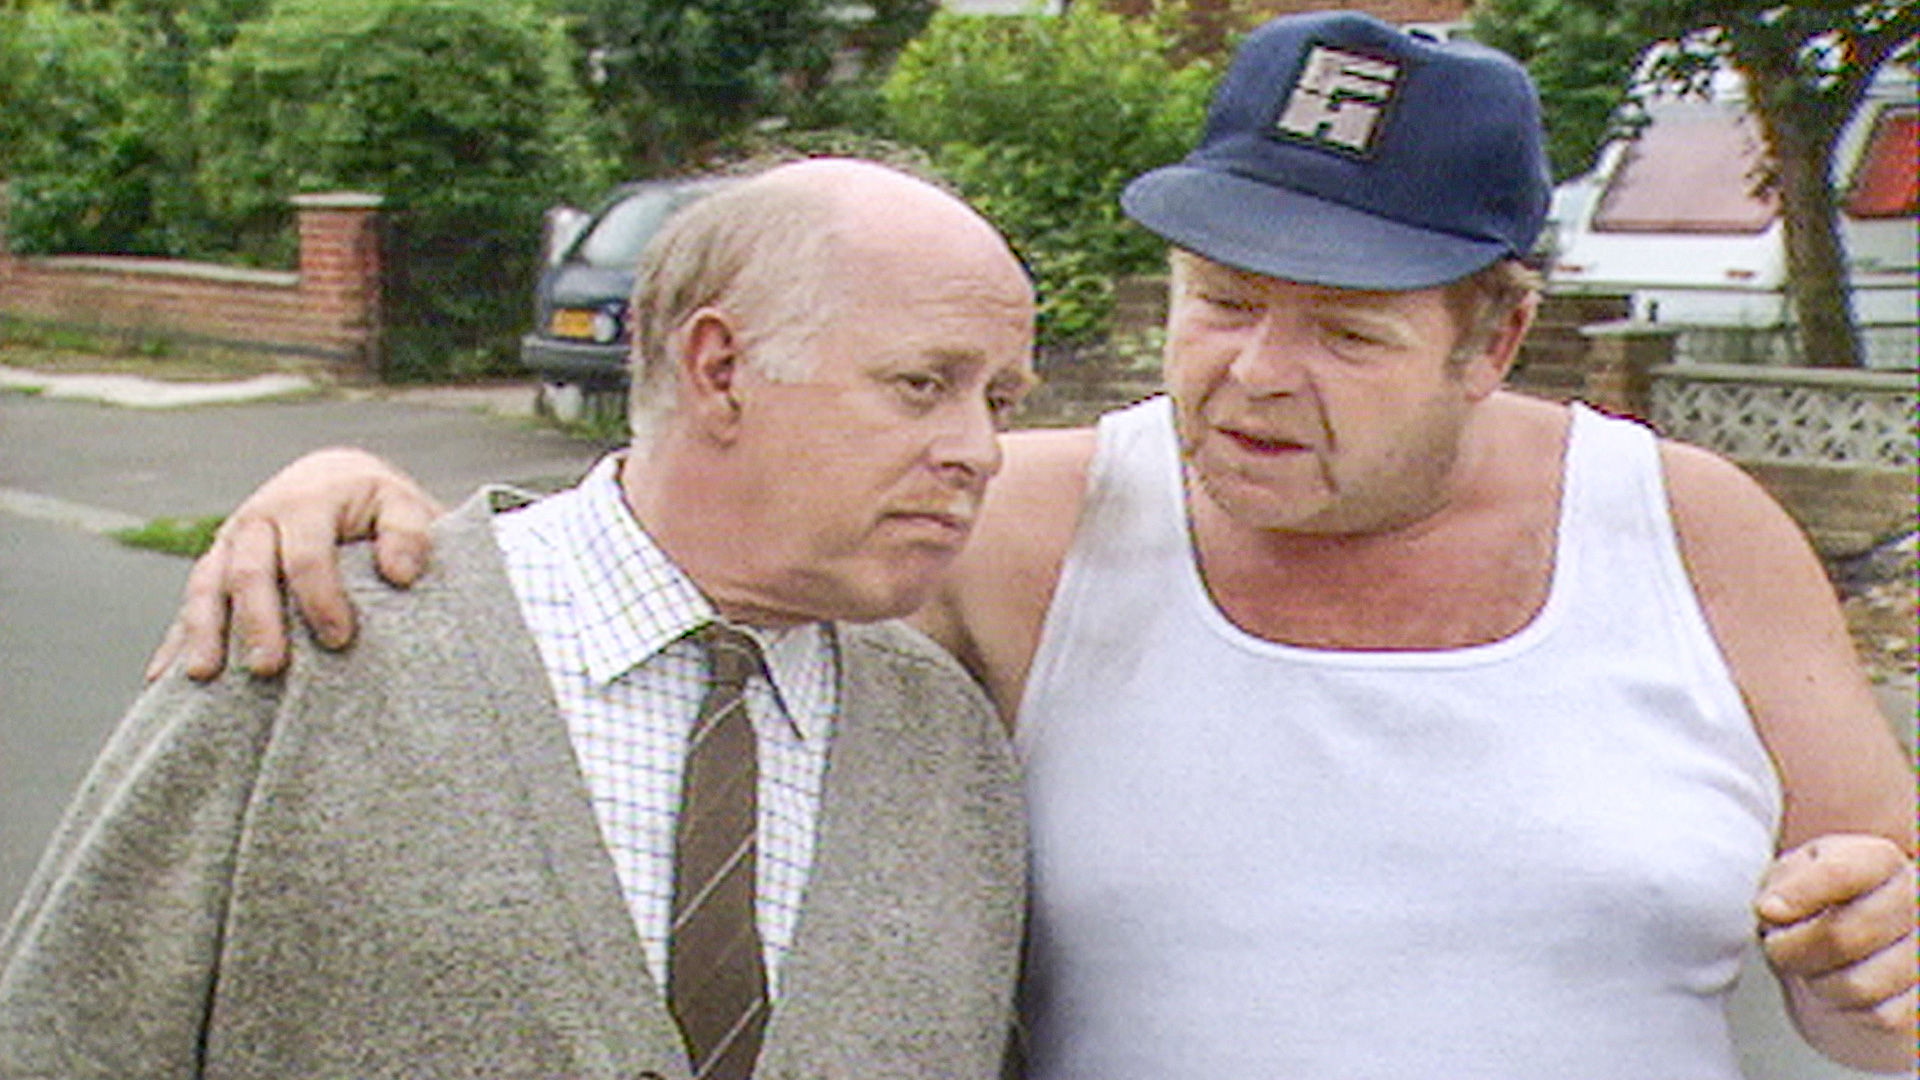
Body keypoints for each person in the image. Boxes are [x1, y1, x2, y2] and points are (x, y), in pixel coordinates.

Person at [142, 12, 1917, 1077]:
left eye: (1347, 332)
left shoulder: (1689, 532)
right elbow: (689, 561)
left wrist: (1878, 972)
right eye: (1221, 299)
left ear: (1495, 335)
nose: (1255, 375)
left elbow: (1877, 990)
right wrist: (371, 505)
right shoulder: (1033, 517)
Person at [0, 159, 1040, 1078]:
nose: (980, 451)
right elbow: (60, 1042)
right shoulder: (312, 641)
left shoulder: (948, 744)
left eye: (999, 401)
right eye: (923, 384)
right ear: (720, 370)